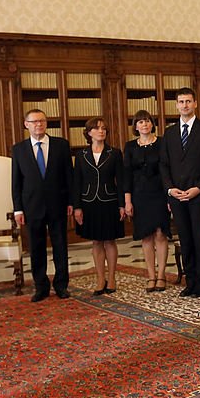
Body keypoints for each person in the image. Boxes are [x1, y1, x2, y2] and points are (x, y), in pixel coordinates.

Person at [160, 87, 200, 298]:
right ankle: (190, 281)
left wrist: (198, 188)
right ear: (176, 105)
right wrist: (170, 189)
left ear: (195, 104)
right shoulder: (169, 133)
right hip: (177, 196)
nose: (184, 105)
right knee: (185, 239)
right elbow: (164, 165)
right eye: (181, 102)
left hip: (198, 195)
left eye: (188, 101)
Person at [11, 109, 74, 302]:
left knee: (60, 246)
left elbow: (69, 177)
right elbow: (16, 181)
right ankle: (41, 286)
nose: (39, 124)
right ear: (26, 124)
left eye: (42, 121)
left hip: (58, 204)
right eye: (35, 121)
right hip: (32, 206)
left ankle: (61, 285)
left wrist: (72, 201)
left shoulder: (61, 145)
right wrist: (18, 209)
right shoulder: (19, 149)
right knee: (36, 247)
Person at [73, 117, 126, 295]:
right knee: (96, 241)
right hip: (88, 203)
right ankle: (100, 278)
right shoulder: (81, 155)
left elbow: (121, 181)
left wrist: (122, 205)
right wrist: (77, 207)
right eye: (97, 128)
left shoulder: (115, 153)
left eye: (104, 128)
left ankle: (111, 278)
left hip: (110, 201)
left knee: (110, 240)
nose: (101, 131)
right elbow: (77, 182)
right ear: (89, 133)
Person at [123, 110, 173, 292]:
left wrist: (170, 196)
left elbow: (168, 170)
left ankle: (161, 275)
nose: (144, 124)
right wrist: (127, 201)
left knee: (160, 233)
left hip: (159, 193)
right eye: (140, 122)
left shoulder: (162, 143)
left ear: (152, 124)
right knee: (146, 235)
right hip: (139, 195)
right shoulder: (129, 147)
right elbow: (126, 175)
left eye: (147, 121)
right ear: (135, 126)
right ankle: (151, 276)